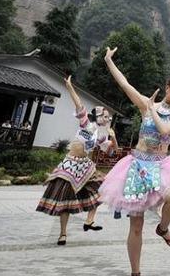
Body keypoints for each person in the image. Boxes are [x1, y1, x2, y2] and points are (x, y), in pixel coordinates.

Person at [98, 52, 170, 276]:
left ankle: (163, 228)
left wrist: (151, 109)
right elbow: (125, 85)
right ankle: (135, 273)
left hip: (160, 165)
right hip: (137, 167)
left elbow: (165, 129)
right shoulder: (147, 103)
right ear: (167, 87)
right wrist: (109, 61)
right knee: (136, 225)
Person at [36, 76, 115, 245]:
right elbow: (79, 105)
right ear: (96, 115)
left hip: (85, 166)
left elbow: (109, 151)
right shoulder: (86, 123)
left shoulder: (102, 135)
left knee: (103, 189)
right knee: (65, 200)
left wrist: (113, 139)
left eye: (108, 117)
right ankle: (63, 234)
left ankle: (89, 220)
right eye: (104, 115)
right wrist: (70, 87)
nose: (106, 118)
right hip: (70, 164)